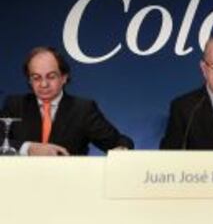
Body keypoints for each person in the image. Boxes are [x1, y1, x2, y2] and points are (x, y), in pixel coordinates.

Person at [0, 46, 134, 155]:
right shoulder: (15, 105)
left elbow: (119, 142)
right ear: (29, 80)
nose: (44, 84)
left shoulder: (83, 109)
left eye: (51, 77)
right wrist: (28, 148)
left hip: (68, 183)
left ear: (64, 77)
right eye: (36, 78)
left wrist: (121, 150)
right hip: (20, 182)